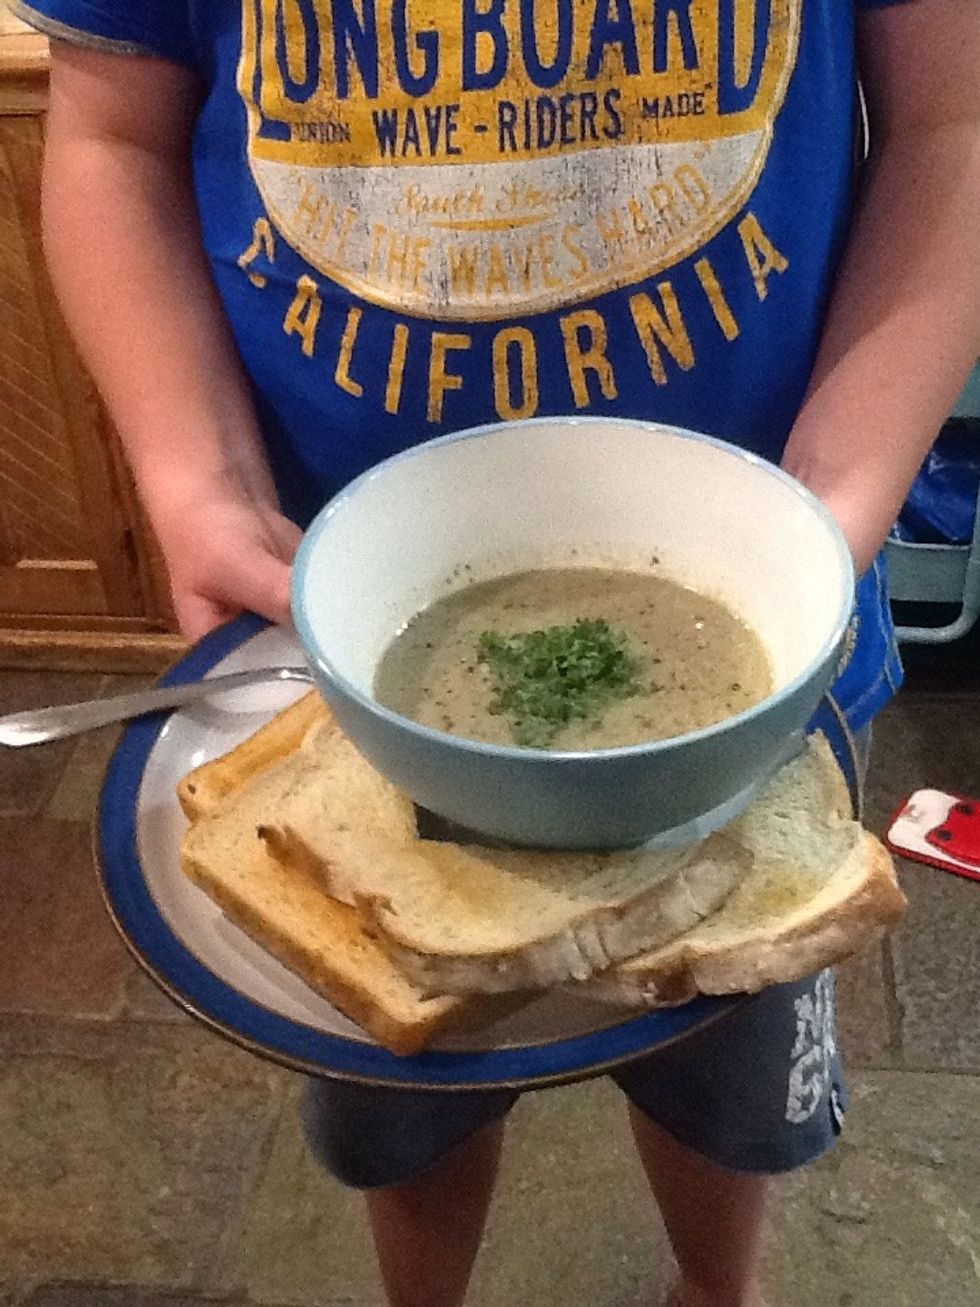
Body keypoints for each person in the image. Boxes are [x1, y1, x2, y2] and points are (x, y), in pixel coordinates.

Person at [15, 1, 980, 1302]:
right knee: (403, 1084)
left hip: (775, 621)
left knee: (724, 1061)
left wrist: (831, 502)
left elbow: (951, 119)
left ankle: (719, 1289)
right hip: (350, 645)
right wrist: (196, 475)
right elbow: (113, 142)